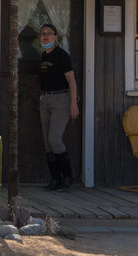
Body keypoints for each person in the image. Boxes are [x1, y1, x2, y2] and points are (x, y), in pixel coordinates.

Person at [38, 23, 79, 191]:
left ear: (55, 37)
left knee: (55, 139)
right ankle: (55, 179)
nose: (45, 36)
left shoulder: (62, 55)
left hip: (61, 99)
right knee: (48, 144)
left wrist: (73, 103)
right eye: (42, 34)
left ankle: (67, 178)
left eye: (49, 33)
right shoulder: (43, 56)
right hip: (45, 100)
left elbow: (71, 80)